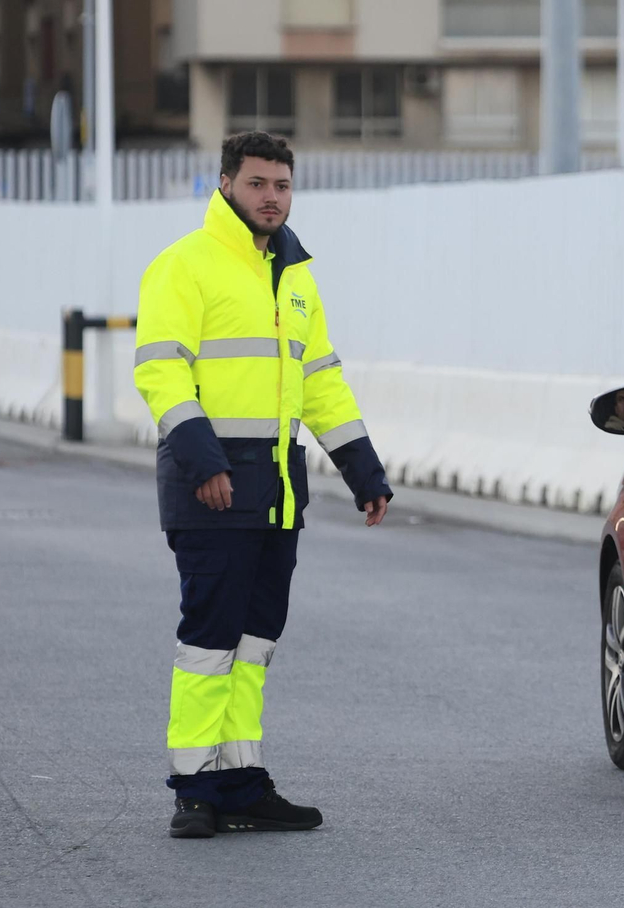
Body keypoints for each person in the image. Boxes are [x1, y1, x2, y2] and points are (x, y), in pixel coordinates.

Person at [134, 132, 394, 839]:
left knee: (254, 643)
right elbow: (161, 370)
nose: (271, 197)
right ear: (225, 185)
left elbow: (321, 381)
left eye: (281, 185)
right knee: (209, 642)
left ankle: (240, 782)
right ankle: (194, 789)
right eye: (257, 184)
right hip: (210, 485)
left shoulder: (296, 275)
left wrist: (364, 472)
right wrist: (204, 462)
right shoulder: (185, 265)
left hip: (277, 490)